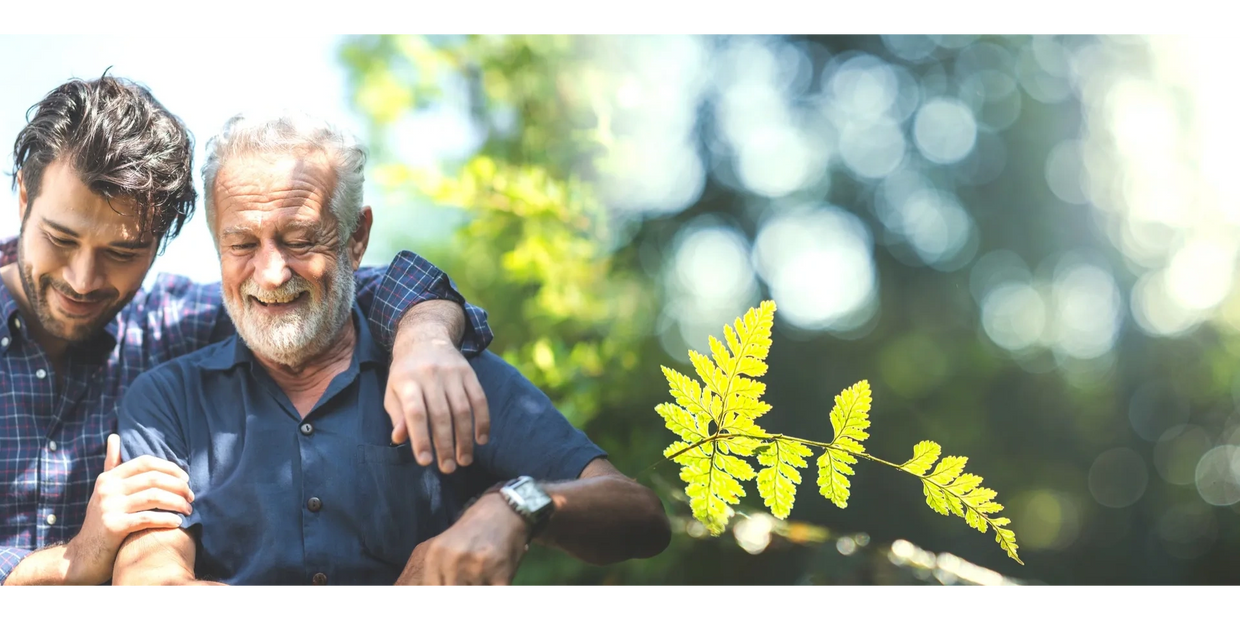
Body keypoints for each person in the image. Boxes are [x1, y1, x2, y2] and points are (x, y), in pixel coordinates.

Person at [112, 110, 671, 588]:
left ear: (356, 238)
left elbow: (641, 516)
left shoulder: (443, 371)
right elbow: (150, 572)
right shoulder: (168, 400)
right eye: (241, 244)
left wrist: (515, 505)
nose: (271, 272)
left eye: (300, 239)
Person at [0, 75, 496, 588]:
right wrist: (67, 563)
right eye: (60, 239)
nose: (83, 279)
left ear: (158, 243)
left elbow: (334, 286)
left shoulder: (174, 322)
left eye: (121, 252)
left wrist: (423, 335)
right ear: (23, 199)